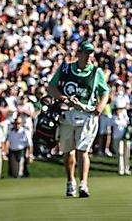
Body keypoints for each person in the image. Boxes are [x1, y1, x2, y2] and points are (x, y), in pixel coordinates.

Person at [47, 41, 109, 197]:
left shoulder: (96, 72)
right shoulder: (65, 68)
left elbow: (104, 91)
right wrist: (63, 98)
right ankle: (70, 182)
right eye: (86, 53)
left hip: (87, 114)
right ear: (78, 54)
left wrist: (101, 104)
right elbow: (51, 87)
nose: (89, 56)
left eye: (91, 53)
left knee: (83, 150)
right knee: (68, 151)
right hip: (67, 113)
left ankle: (83, 184)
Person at [111, 104, 131, 175]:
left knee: (127, 153)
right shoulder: (113, 117)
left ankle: (126, 168)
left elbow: (127, 123)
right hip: (117, 137)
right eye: (116, 110)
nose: (118, 111)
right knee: (120, 153)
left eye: (119, 109)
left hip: (125, 137)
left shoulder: (123, 116)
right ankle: (121, 169)